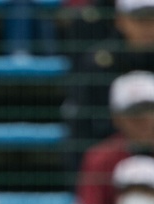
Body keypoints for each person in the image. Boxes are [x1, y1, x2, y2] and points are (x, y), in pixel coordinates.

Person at [64, 0, 154, 144]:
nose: (148, 27)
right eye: (140, 19)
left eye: (152, 19)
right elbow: (83, 121)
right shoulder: (99, 63)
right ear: (120, 20)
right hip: (110, 149)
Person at [75, 71, 154, 204]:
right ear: (116, 118)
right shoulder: (99, 158)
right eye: (134, 112)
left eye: (149, 110)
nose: (143, 119)